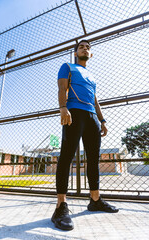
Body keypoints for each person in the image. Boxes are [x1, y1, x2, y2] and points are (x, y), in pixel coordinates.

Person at [51, 40, 119, 231]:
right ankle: (60, 206)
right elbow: (62, 88)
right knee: (66, 157)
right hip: (74, 113)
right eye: (81, 47)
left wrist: (102, 120)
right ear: (76, 53)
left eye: (88, 47)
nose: (85, 49)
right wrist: (63, 108)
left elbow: (95, 99)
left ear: (91, 55)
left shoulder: (91, 75)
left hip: (92, 118)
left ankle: (95, 200)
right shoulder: (68, 66)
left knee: (93, 159)